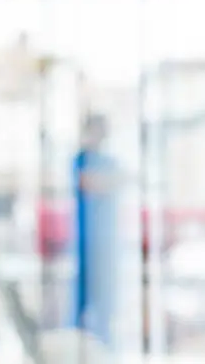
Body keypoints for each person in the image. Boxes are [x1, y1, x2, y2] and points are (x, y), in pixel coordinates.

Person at [71, 114, 119, 347]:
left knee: (106, 304)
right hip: (84, 246)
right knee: (82, 304)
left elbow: (117, 181)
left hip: (106, 245)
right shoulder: (80, 160)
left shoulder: (109, 162)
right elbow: (89, 183)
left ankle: (103, 347)